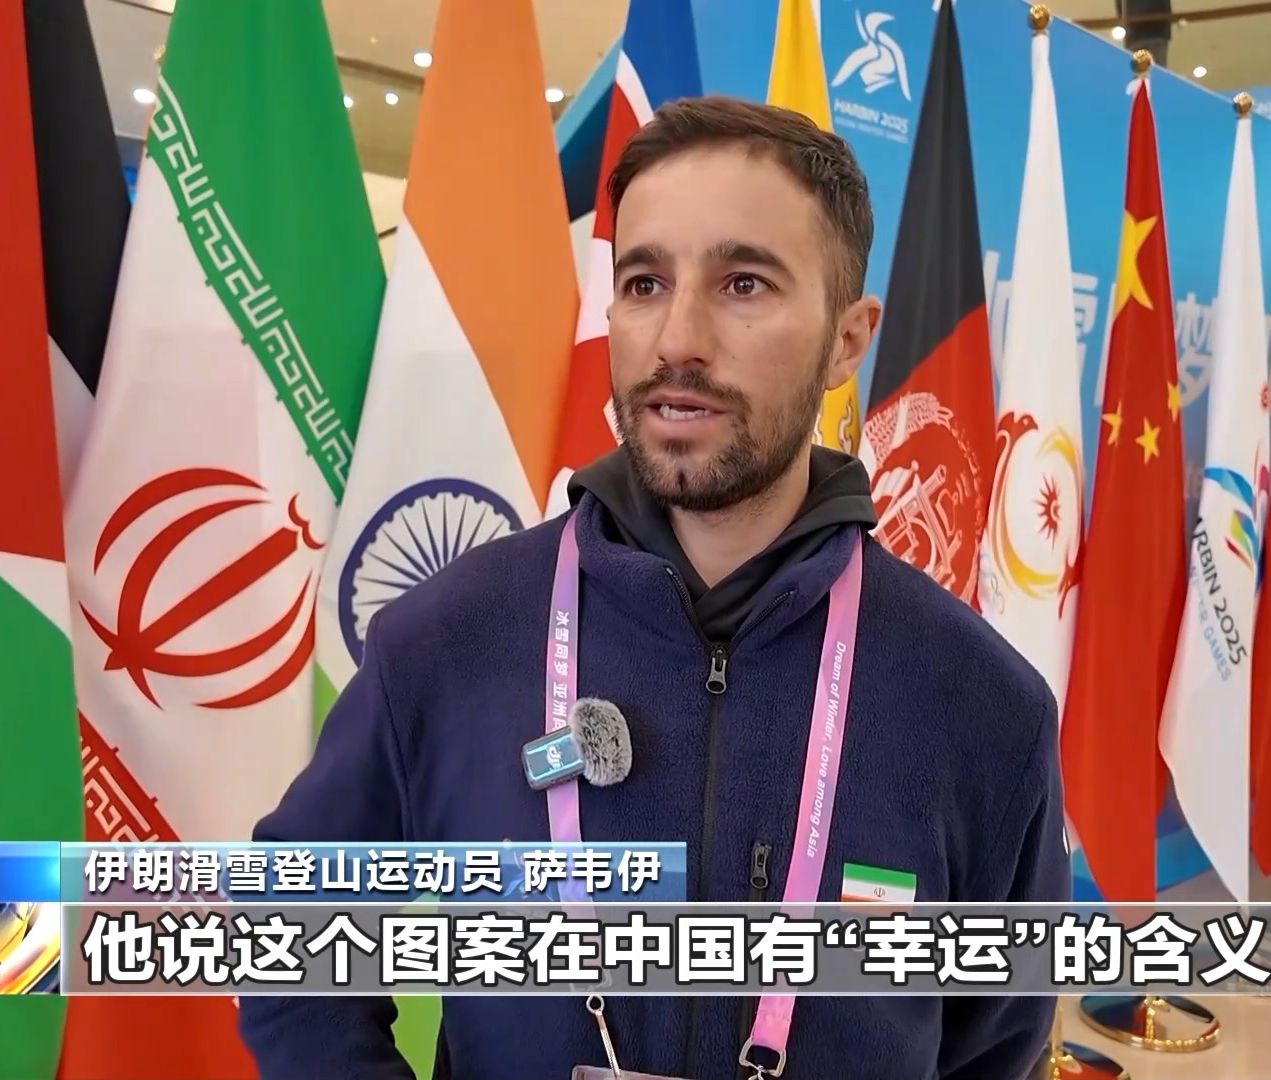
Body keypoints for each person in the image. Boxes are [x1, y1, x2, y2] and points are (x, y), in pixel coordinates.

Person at [239, 94, 1068, 1080]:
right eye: (644, 283)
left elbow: (996, 1046)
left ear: (848, 340)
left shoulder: (982, 706)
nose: (678, 338)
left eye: (744, 283)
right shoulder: (447, 641)